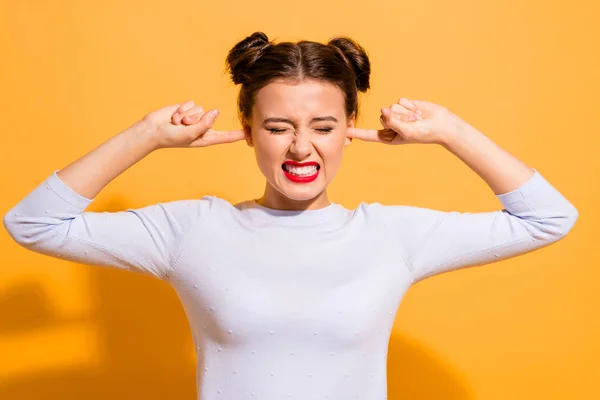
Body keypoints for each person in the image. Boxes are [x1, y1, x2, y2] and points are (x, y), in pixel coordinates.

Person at [3, 31, 578, 400]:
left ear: (350, 129)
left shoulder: (391, 235)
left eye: (323, 127)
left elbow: (548, 218)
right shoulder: (194, 231)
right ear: (249, 131)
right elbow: (33, 223)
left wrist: (450, 131)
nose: (301, 148)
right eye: (279, 128)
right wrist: (147, 136)